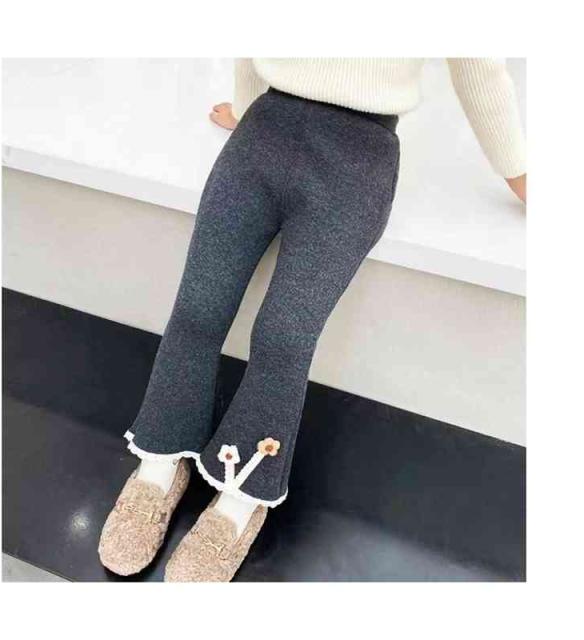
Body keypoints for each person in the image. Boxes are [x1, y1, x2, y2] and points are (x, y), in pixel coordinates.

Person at [98, 58, 526, 581]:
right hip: (265, 128)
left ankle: (242, 496)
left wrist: (520, 173)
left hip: (359, 154)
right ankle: (159, 464)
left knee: (284, 337)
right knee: (197, 309)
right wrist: (247, 107)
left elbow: (479, 67)